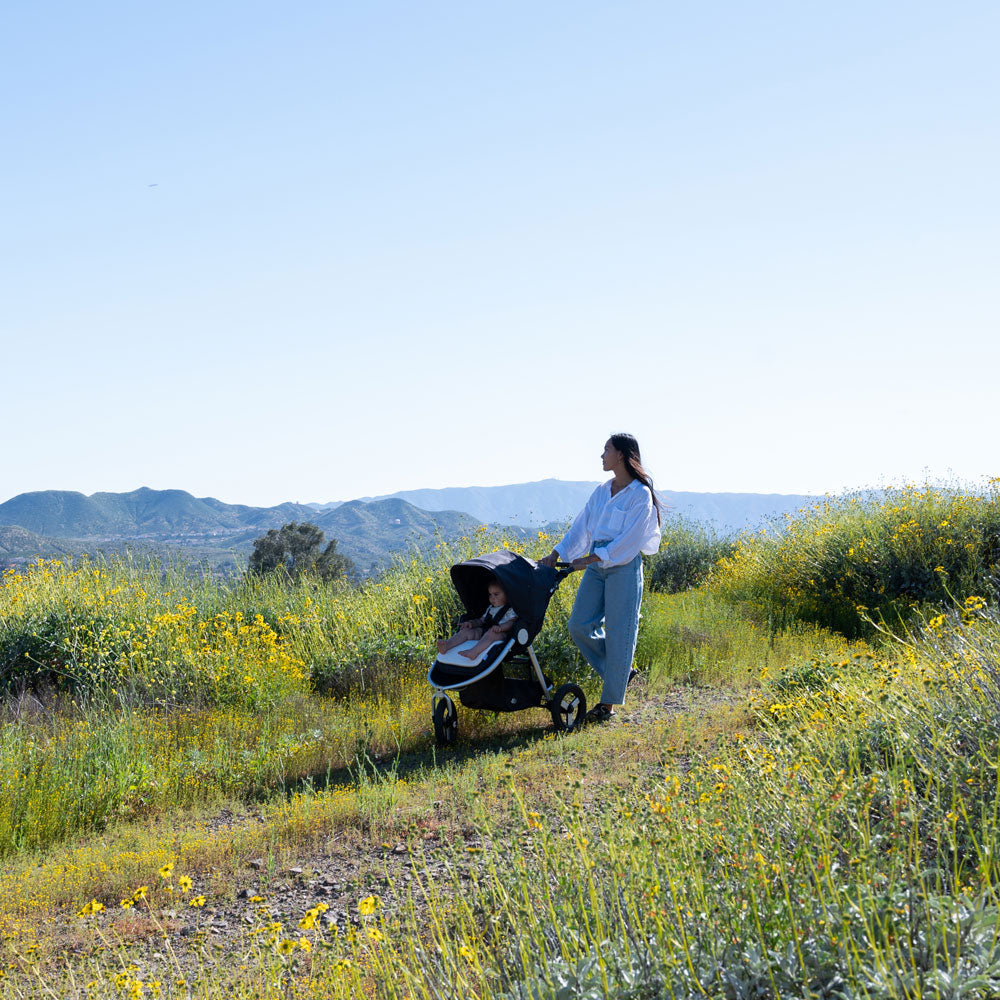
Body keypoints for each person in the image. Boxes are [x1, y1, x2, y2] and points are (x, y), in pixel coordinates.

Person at [539, 433, 662, 721]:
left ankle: (607, 705)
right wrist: (557, 554)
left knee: (621, 631)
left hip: (623, 566)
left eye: (606, 449)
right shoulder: (601, 491)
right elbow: (581, 527)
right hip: (595, 565)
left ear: (621, 454)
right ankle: (621, 672)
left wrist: (591, 558)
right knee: (579, 624)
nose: (602, 455)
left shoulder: (640, 495)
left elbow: (629, 541)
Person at [437, 578, 518, 660]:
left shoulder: (510, 610)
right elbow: (481, 620)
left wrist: (500, 628)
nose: (492, 598)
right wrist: (471, 623)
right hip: (484, 631)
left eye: (496, 594)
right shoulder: (490, 608)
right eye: (490, 595)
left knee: (491, 634)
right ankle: (447, 645)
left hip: (500, 634)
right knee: (466, 631)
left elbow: (511, 623)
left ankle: (473, 652)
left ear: (507, 594)